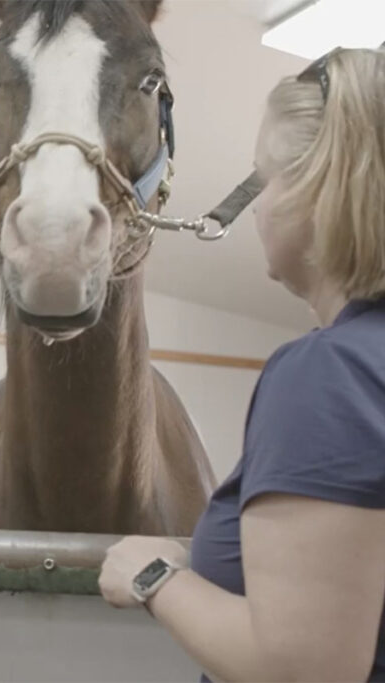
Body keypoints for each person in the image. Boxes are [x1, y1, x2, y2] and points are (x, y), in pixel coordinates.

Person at [98, 47, 385, 681]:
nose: (255, 208)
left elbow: (305, 669)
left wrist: (155, 578)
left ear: (320, 187)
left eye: (266, 178)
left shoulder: (330, 376)